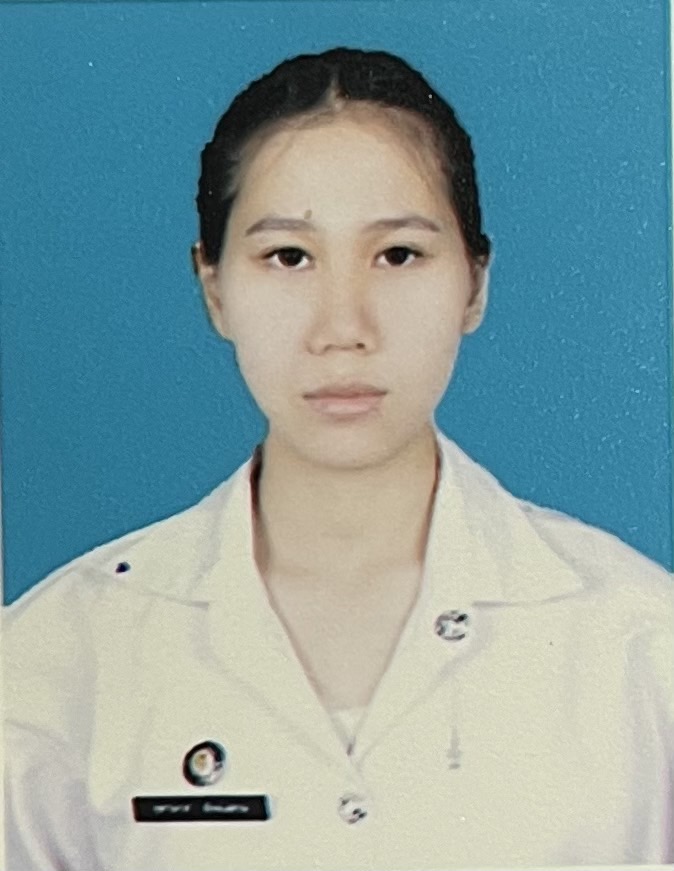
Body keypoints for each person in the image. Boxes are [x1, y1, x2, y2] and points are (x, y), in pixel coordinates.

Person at [3, 46, 673, 871]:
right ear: (214, 287)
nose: (343, 327)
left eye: (398, 255)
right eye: (288, 257)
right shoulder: (55, 665)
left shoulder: (642, 649)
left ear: (474, 283)